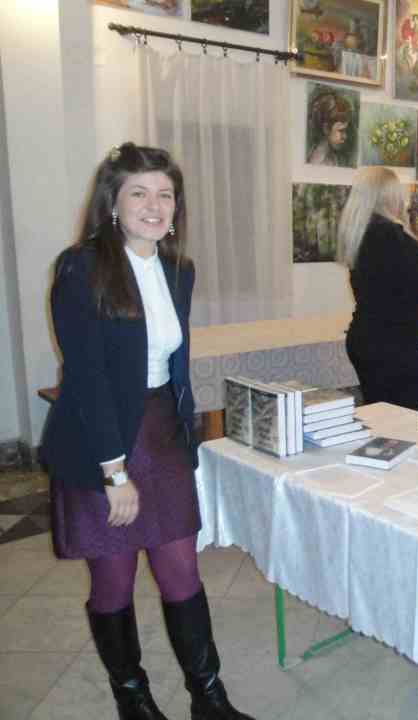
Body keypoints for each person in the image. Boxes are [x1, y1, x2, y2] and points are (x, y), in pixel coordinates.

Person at [41, 143, 253, 720]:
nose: (154, 206)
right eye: (139, 193)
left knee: (182, 569)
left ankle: (209, 700)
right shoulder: (82, 267)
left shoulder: (179, 269)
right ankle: (132, 699)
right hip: (102, 437)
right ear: (112, 202)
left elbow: (172, 364)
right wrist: (114, 473)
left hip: (161, 433)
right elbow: (86, 377)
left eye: (165, 195)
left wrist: (185, 441)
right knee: (114, 578)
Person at [339, 167, 418, 410]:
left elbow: (396, 280)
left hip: (364, 340)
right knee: (406, 418)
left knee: (378, 414)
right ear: (388, 197)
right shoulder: (394, 235)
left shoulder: (361, 233)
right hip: (395, 348)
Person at [307, 90, 354, 167]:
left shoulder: (331, 155)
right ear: (326, 129)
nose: (345, 136)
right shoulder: (319, 161)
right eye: (341, 130)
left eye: (345, 130)